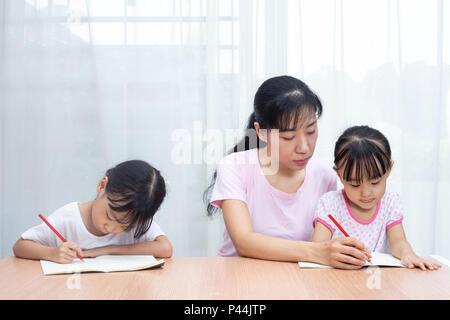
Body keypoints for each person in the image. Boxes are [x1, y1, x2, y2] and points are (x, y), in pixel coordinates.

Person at [204, 75, 372, 269]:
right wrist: (317, 252)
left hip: (301, 280)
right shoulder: (234, 166)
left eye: (310, 132)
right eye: (288, 137)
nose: (303, 147)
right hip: (239, 277)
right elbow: (244, 242)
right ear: (260, 132)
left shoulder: (324, 175)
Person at [312, 125, 441, 270]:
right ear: (339, 175)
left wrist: (407, 254)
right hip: (337, 280)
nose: (366, 193)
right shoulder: (330, 204)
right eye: (355, 184)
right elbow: (318, 248)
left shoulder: (390, 202)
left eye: (375, 182)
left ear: (389, 169)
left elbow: (398, 243)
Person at [13, 159, 172, 264]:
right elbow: (20, 246)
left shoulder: (134, 216)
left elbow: (165, 248)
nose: (112, 229)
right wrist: (52, 253)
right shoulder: (68, 218)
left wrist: (106, 250)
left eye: (125, 227)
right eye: (110, 216)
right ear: (102, 186)